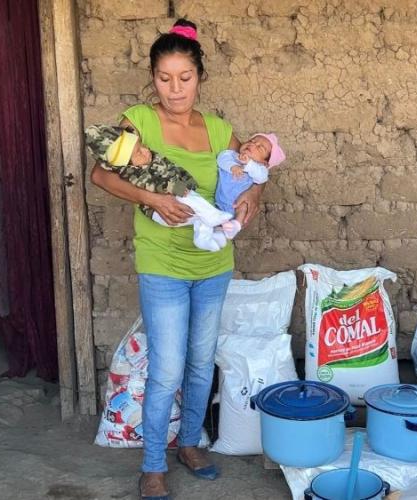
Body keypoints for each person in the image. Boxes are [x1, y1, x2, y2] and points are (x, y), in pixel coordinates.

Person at [89, 18, 264, 500]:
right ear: (152, 79)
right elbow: (101, 176)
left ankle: (189, 444)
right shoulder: (139, 121)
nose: (174, 89)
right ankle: (151, 466)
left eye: (184, 78)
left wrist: (252, 199)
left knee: (201, 360)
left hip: (212, 263)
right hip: (162, 262)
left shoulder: (218, 128)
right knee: (167, 366)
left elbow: (251, 174)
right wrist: (152, 201)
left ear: (199, 78)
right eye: (164, 79)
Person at [85, 124, 235, 251]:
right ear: (126, 163)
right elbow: (150, 184)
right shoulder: (134, 173)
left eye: (141, 145)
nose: (145, 150)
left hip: (172, 209)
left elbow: (171, 168)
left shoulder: (144, 161)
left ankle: (205, 236)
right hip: (160, 210)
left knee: (196, 214)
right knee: (192, 199)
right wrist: (174, 187)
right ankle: (214, 216)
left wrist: (186, 180)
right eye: (138, 152)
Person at [215, 132, 285, 239]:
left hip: (238, 203)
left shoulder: (260, 169)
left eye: (259, 148)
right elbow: (221, 159)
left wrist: (249, 164)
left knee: (243, 207)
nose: (252, 145)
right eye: (251, 141)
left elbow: (262, 178)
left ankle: (236, 224)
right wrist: (232, 166)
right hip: (219, 200)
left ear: (264, 163)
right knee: (214, 220)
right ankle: (217, 234)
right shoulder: (232, 155)